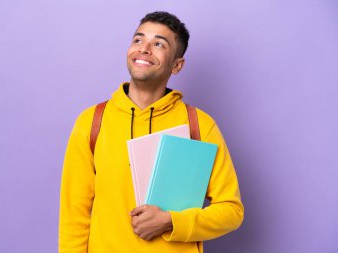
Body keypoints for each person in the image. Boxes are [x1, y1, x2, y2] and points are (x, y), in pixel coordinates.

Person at [59, 11, 244, 253]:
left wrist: (171, 221)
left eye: (158, 44)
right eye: (138, 40)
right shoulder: (92, 122)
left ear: (177, 65)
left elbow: (232, 211)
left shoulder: (199, 125)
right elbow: (74, 216)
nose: (144, 48)